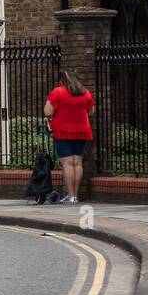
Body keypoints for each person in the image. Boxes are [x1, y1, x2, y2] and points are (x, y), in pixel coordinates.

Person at [43, 68, 96, 204]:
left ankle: (70, 196)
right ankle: (75, 196)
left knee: (67, 163)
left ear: (62, 79)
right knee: (77, 163)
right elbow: (91, 111)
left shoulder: (58, 92)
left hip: (62, 130)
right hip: (81, 130)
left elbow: (48, 112)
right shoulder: (85, 93)